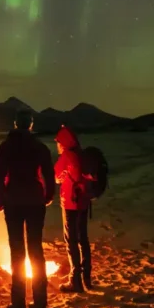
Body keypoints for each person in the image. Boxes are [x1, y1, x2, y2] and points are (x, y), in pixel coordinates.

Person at [0, 109, 55, 308]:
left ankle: (18, 306)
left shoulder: (5, 147)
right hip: (35, 201)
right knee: (36, 251)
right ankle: (40, 304)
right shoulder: (39, 147)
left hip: (14, 201)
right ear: (30, 125)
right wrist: (48, 195)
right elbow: (49, 173)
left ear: (15, 124)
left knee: (17, 252)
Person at [54, 125, 92, 292]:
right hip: (84, 201)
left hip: (70, 202)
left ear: (63, 143)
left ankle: (75, 281)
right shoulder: (81, 154)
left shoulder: (67, 156)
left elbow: (55, 177)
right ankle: (87, 278)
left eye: (58, 142)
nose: (57, 145)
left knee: (71, 240)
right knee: (83, 239)